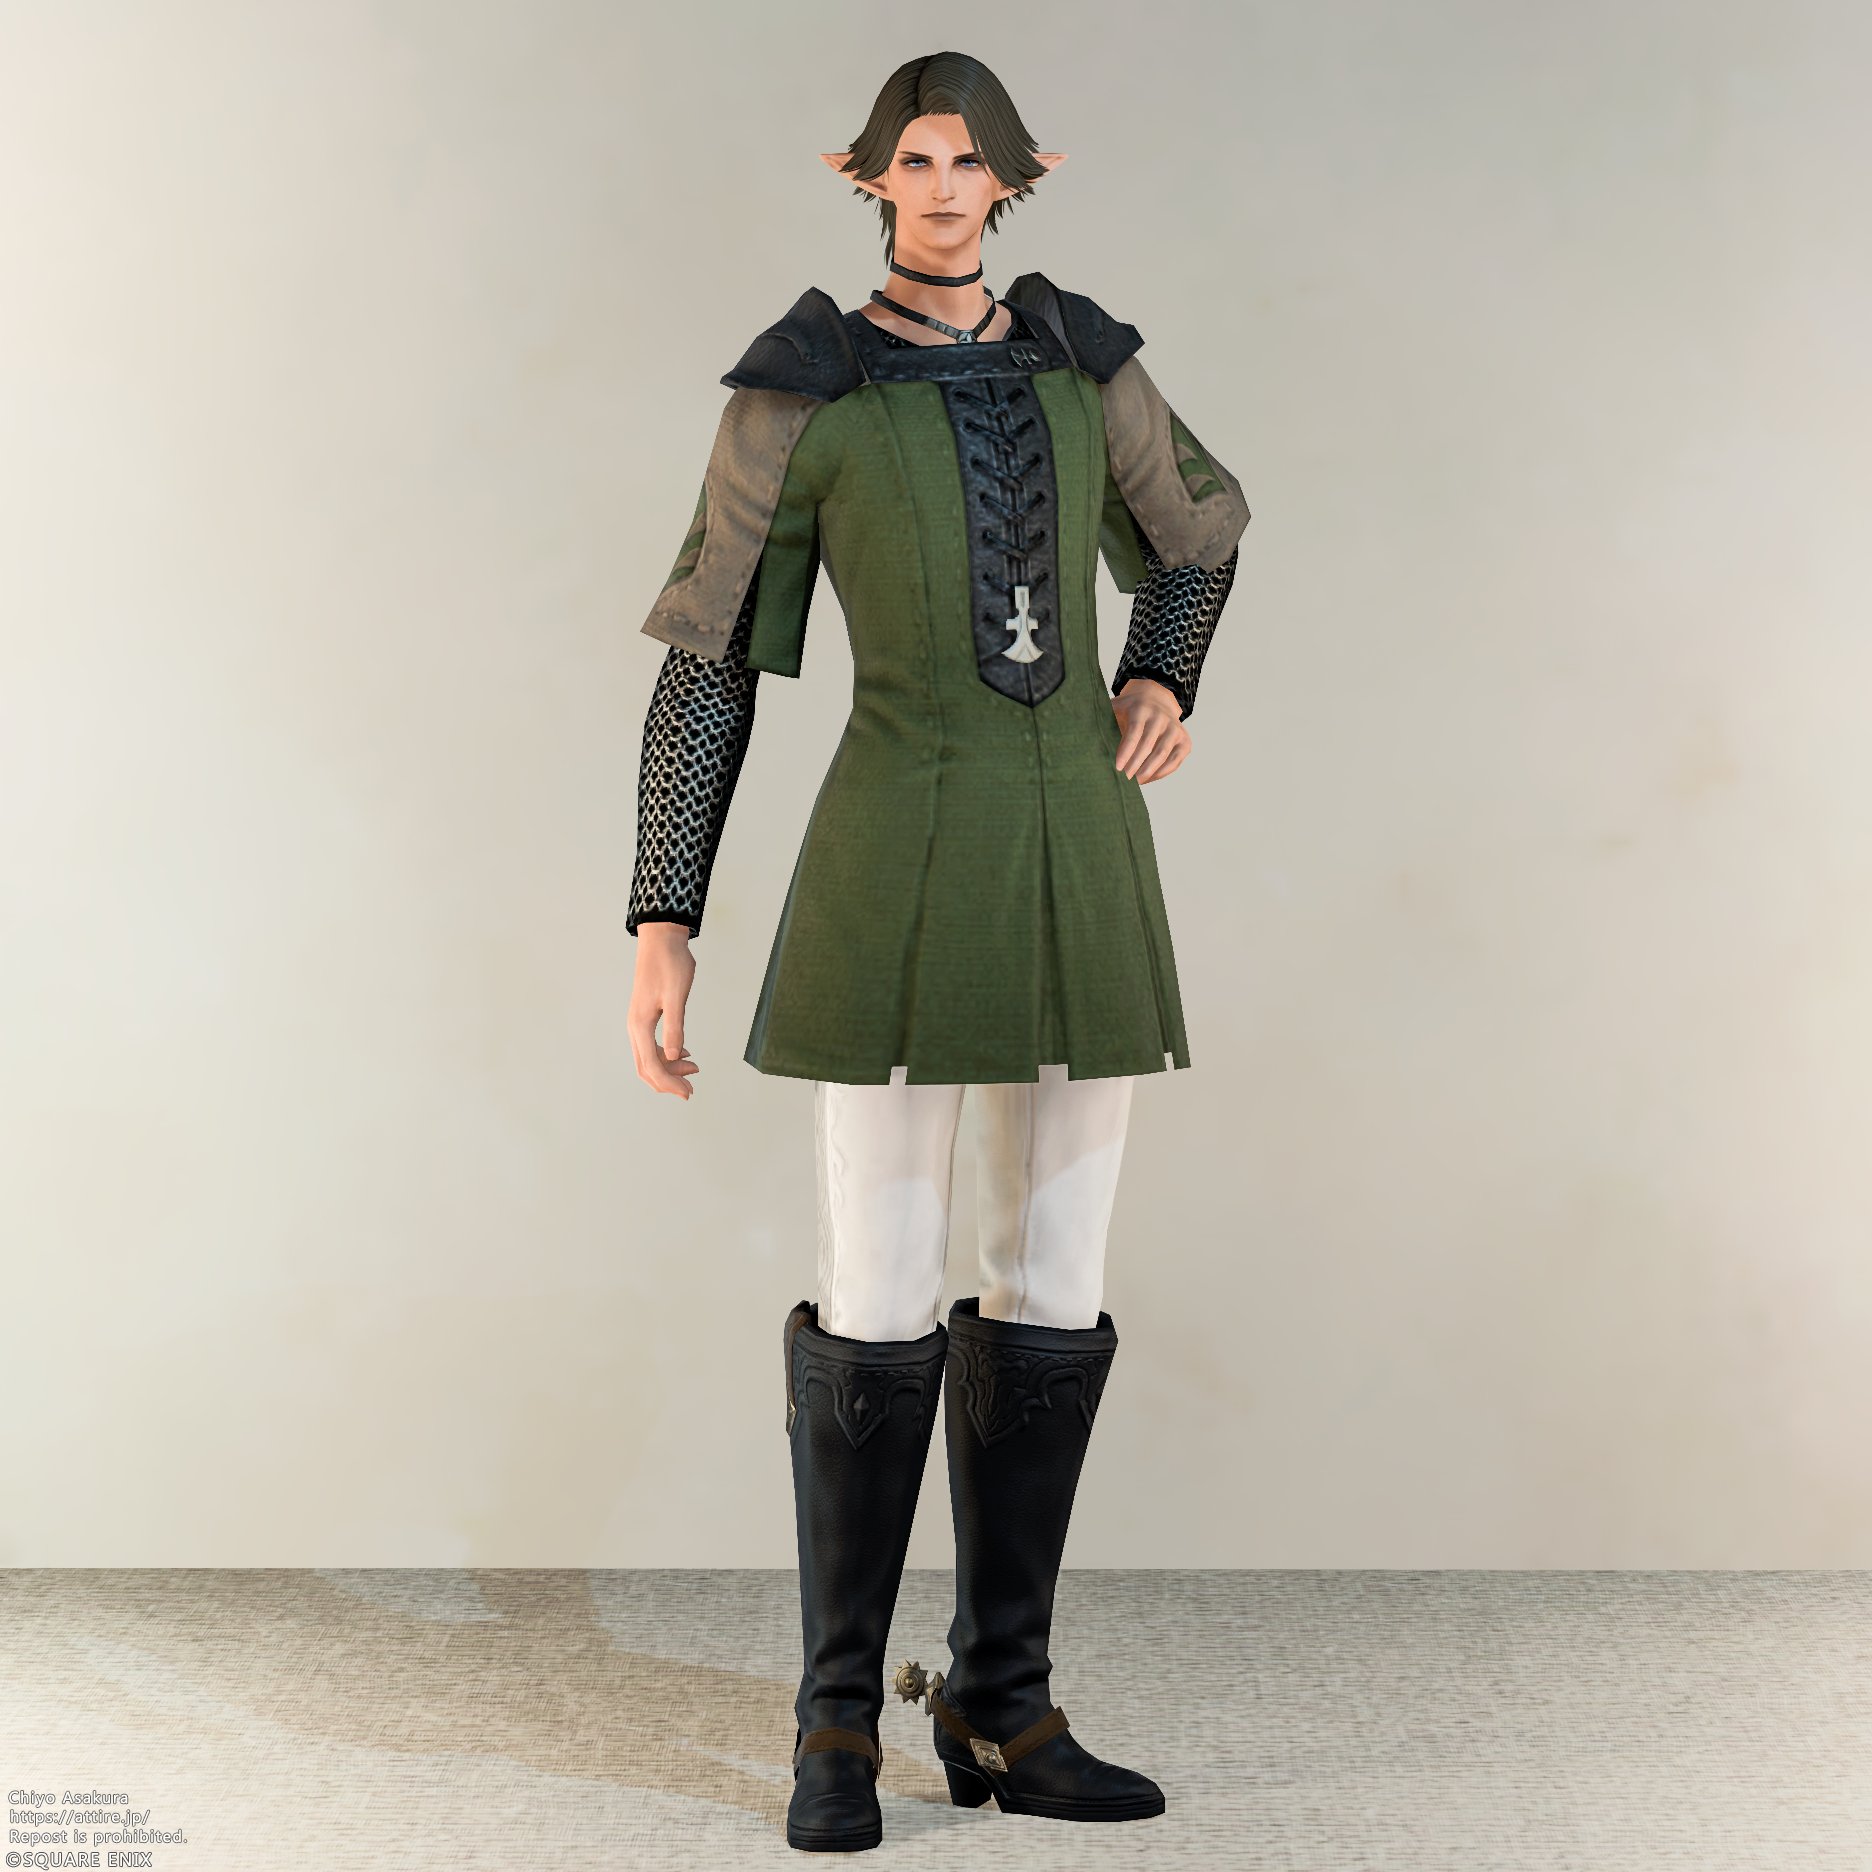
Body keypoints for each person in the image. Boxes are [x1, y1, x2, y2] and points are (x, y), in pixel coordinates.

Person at [627, 50, 1249, 1854]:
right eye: (915, 158)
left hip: (1078, 859)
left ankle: (1002, 1701)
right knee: (879, 1290)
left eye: (973, 160)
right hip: (890, 859)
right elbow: (708, 667)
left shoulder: (1083, 363)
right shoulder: (801, 392)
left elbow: (1201, 538)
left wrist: (1163, 670)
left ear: (1015, 180)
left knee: (1052, 1279)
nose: (946, 186)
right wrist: (664, 916)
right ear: (870, 179)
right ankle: (835, 1722)